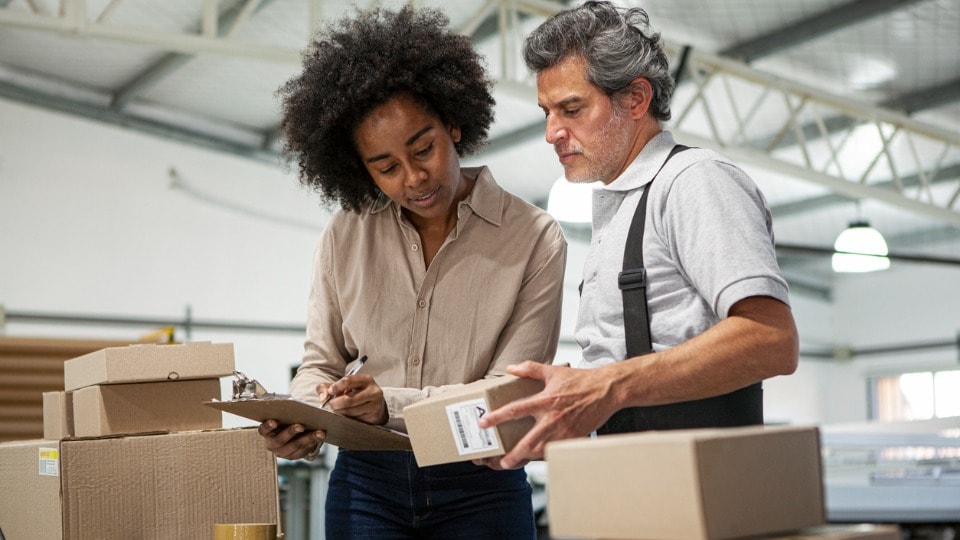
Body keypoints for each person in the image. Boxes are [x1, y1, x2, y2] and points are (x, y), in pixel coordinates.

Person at [256, 5, 566, 539]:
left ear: (454, 124)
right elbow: (321, 364)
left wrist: (388, 407)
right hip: (365, 489)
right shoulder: (345, 236)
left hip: (480, 488)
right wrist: (303, 417)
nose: (414, 177)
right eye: (386, 167)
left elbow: (510, 398)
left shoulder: (534, 238)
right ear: (360, 168)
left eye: (424, 148)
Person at [477, 0, 799, 470]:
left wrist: (608, 386)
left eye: (571, 108)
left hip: (700, 474)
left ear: (634, 98)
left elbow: (771, 338)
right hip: (634, 468)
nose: (551, 133)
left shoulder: (693, 182)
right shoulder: (623, 204)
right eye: (547, 111)